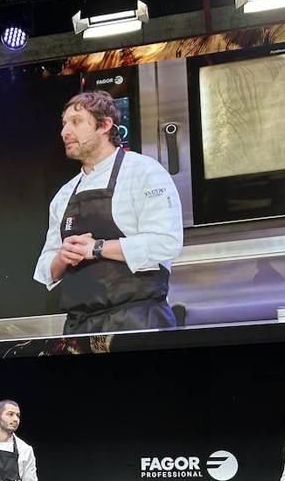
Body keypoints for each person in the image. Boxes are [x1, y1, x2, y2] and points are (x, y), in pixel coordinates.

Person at [34, 90, 184, 335]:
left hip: (138, 323)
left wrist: (96, 248)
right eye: (63, 124)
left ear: (104, 125)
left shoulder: (144, 172)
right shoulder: (64, 194)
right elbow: (45, 268)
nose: (64, 132)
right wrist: (63, 257)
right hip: (79, 328)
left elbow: (166, 243)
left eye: (76, 122)